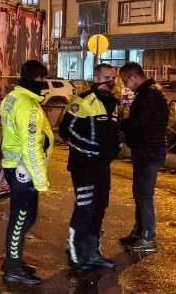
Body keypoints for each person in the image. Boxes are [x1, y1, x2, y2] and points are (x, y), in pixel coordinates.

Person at [58, 63, 122, 270]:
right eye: (105, 78)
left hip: (103, 166)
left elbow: (117, 133)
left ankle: (92, 252)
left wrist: (116, 147)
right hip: (83, 165)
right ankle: (75, 254)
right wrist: (92, 149)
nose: (109, 82)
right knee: (84, 208)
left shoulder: (114, 104)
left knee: (99, 207)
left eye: (113, 78)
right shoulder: (82, 101)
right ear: (95, 78)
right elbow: (66, 130)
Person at [0, 59, 53, 285]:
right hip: (24, 170)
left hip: (16, 168)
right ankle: (12, 267)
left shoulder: (13, 98)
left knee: (25, 217)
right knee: (20, 219)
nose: (44, 85)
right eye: (43, 81)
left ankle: (13, 260)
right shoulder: (28, 106)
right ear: (38, 80)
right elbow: (30, 147)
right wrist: (41, 181)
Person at [118, 62, 168, 253]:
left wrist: (122, 123)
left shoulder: (148, 96)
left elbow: (139, 123)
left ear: (134, 77)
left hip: (149, 152)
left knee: (144, 195)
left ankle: (148, 237)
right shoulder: (150, 93)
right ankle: (139, 232)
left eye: (124, 81)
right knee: (139, 193)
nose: (124, 85)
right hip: (147, 150)